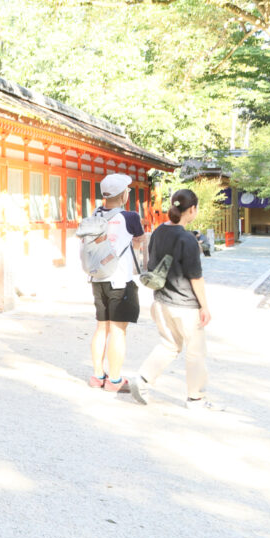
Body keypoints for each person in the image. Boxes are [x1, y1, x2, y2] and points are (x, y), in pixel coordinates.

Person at [130, 189, 216, 409]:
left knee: (169, 345)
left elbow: (152, 264)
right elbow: (195, 277)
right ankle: (195, 397)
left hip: (161, 301)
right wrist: (204, 306)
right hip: (184, 305)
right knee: (195, 351)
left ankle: (142, 379)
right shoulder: (187, 239)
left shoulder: (158, 232)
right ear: (192, 209)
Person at [86, 173, 146, 393]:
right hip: (120, 281)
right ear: (124, 194)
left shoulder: (93, 215)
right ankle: (114, 380)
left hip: (97, 278)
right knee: (118, 330)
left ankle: (97, 375)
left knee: (101, 327)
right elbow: (139, 241)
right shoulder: (130, 217)